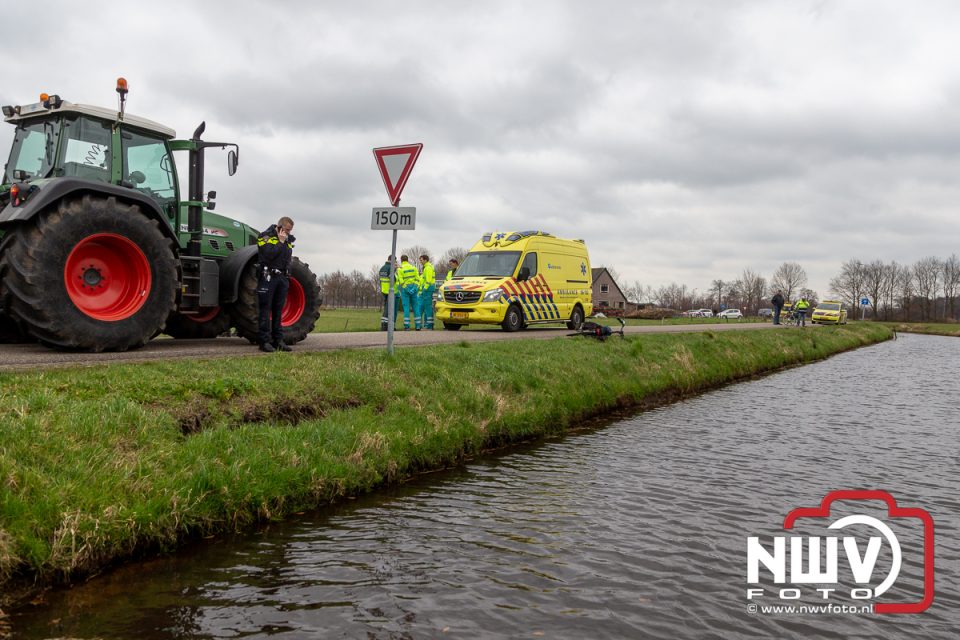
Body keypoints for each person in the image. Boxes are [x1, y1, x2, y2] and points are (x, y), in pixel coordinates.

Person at [256, 216, 295, 352]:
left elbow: (287, 258)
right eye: (287, 230)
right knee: (265, 309)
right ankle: (264, 341)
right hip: (268, 277)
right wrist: (280, 242)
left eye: (290, 230)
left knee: (278, 310)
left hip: (282, 278)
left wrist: (287, 276)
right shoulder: (265, 236)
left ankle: (278, 340)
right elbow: (268, 255)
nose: (288, 233)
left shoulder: (287, 240)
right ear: (279, 227)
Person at [395, 254, 421, 330]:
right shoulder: (413, 268)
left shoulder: (400, 269)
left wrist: (407, 289)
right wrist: (414, 288)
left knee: (406, 308)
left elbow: (401, 281)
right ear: (407, 260)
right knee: (416, 307)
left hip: (405, 290)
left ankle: (407, 326)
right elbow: (418, 279)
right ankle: (418, 326)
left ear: (401, 260)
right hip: (414, 289)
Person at [378, 255, 400, 331]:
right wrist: (395, 270)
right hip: (390, 291)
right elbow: (393, 279)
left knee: (386, 308)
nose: (395, 263)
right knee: (389, 309)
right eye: (395, 261)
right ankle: (385, 326)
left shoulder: (382, 268)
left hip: (383, 290)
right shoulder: (391, 268)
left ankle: (383, 324)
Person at [417, 254, 436, 330]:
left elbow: (428, 280)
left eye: (421, 260)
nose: (420, 262)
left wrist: (424, 289)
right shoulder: (427, 267)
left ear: (425, 260)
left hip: (427, 289)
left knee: (428, 307)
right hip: (428, 288)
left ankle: (430, 325)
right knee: (426, 306)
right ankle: (428, 324)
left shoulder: (428, 268)